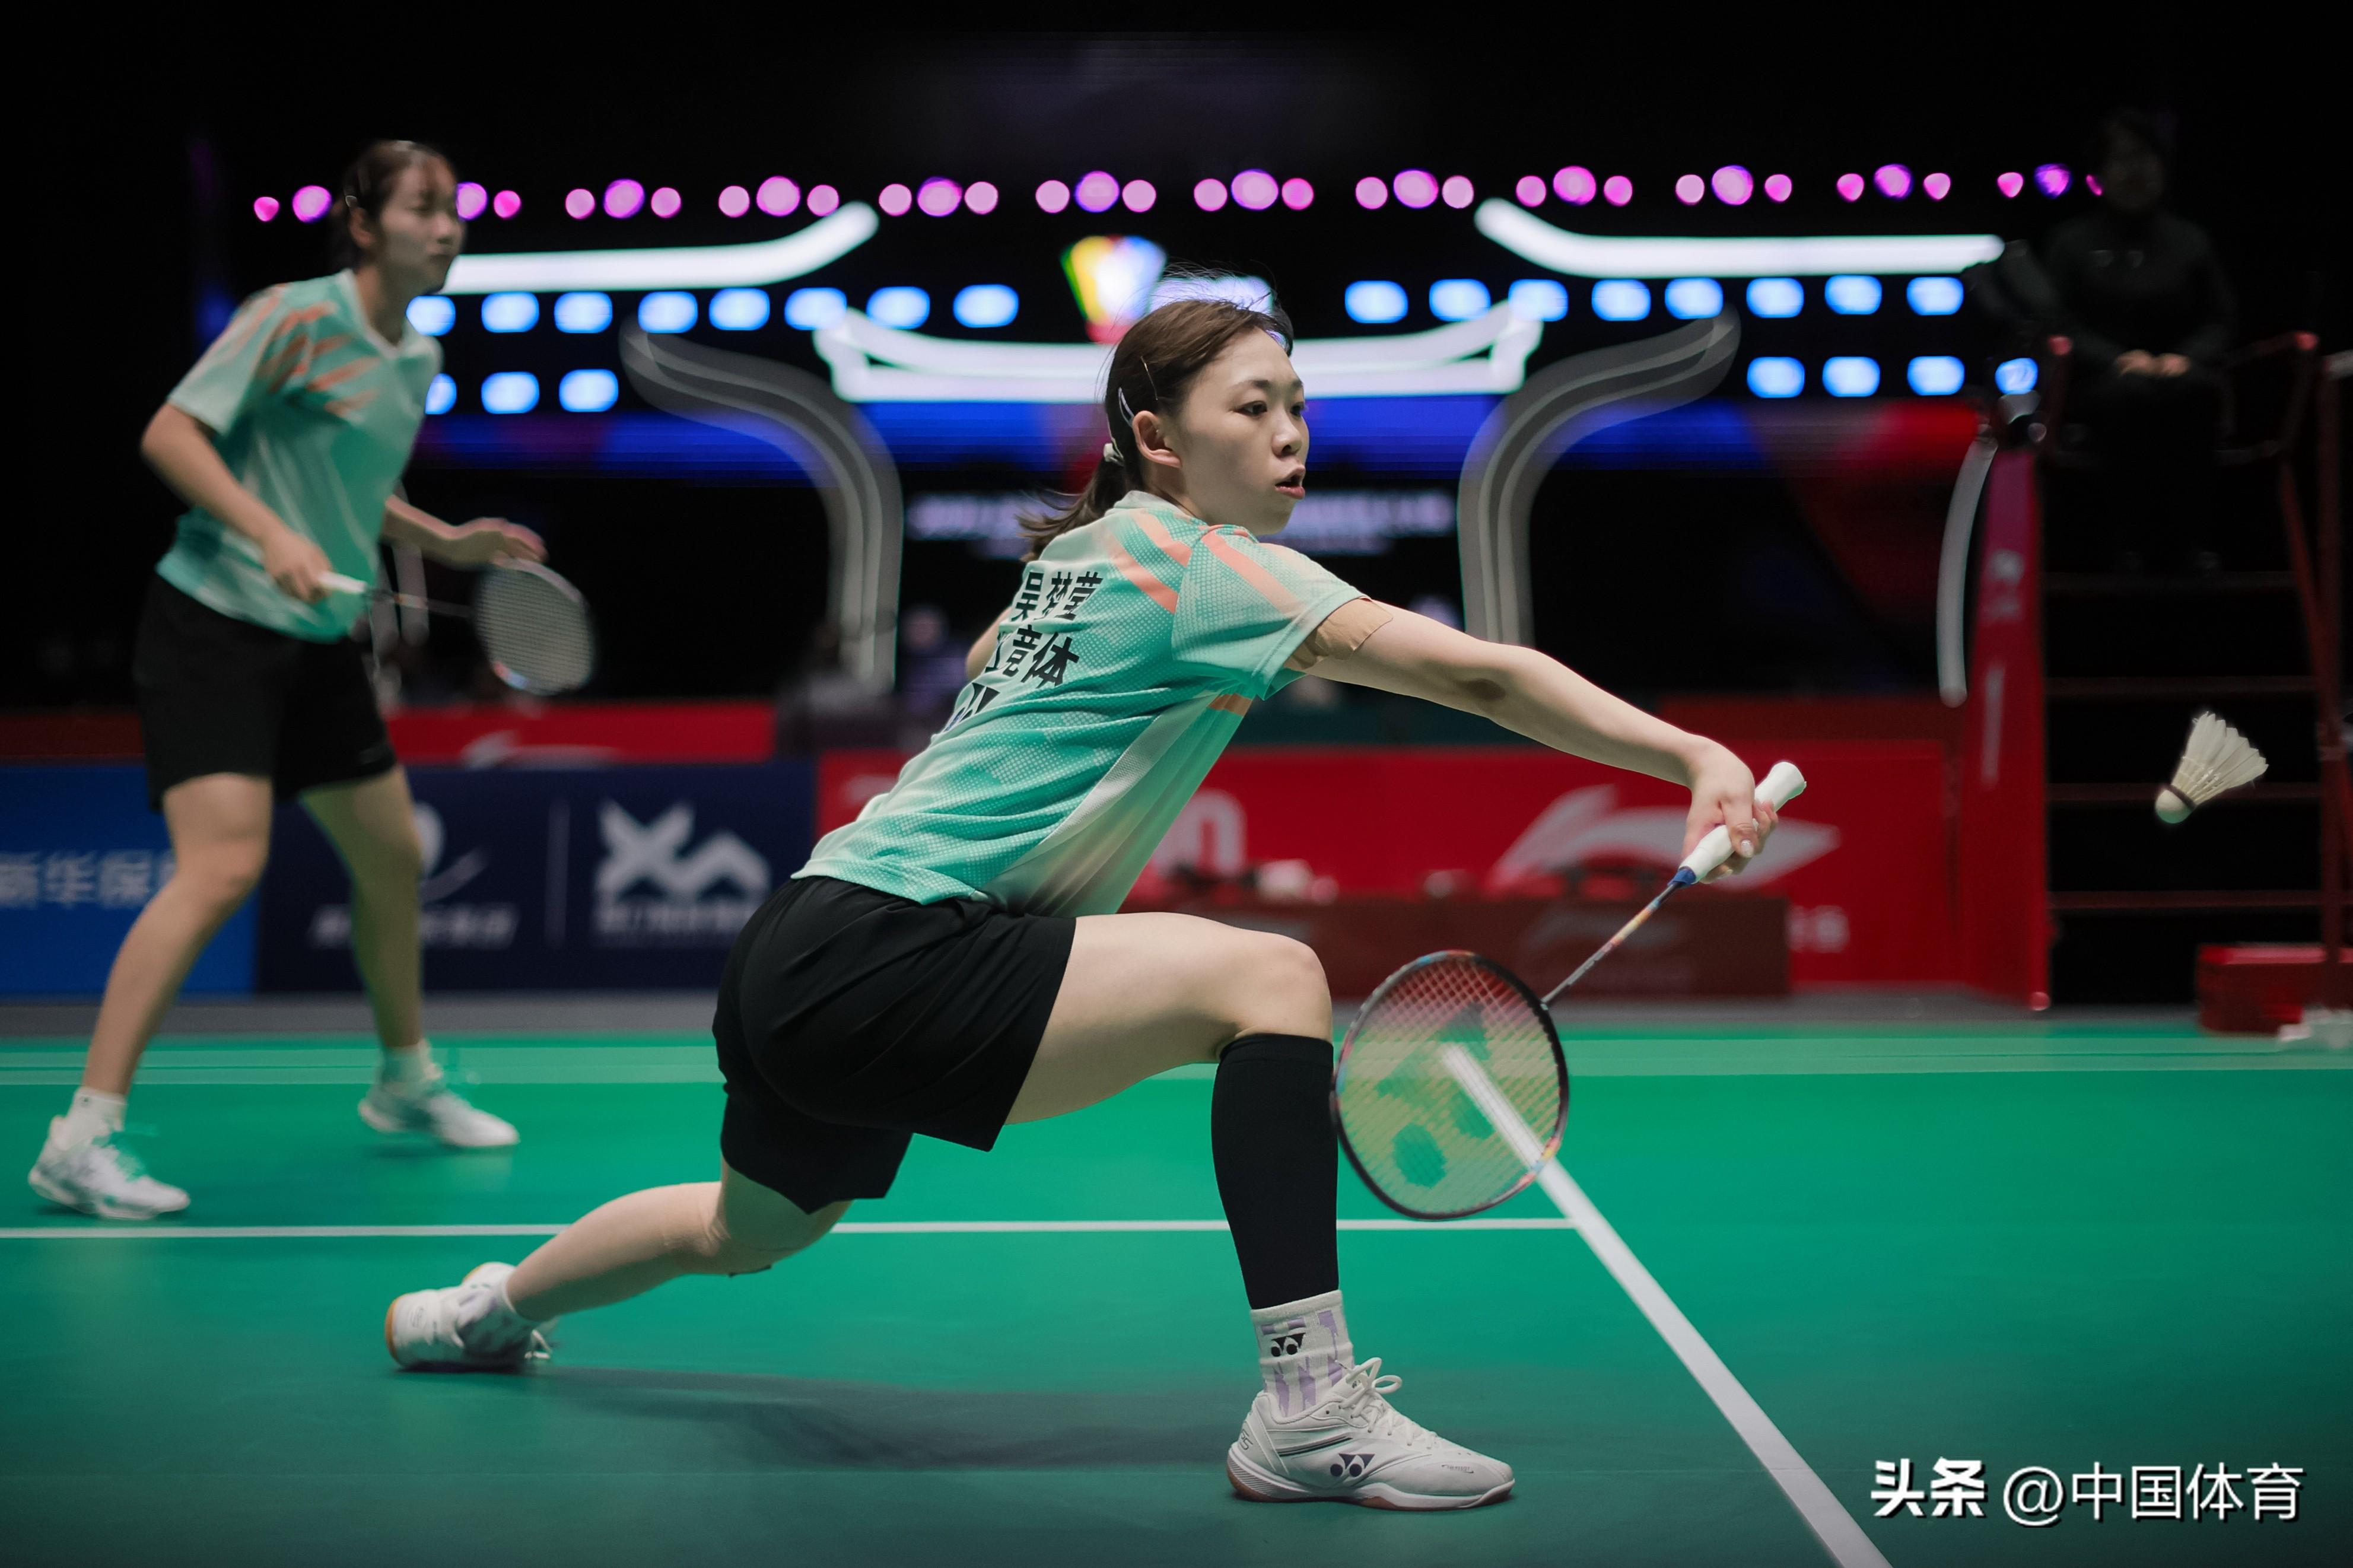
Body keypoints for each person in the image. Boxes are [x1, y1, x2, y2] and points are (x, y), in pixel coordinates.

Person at [384, 296, 1780, 1510]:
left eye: (1297, 404)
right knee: (1271, 978)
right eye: (1253, 406)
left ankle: (481, 1309)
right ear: (1156, 436)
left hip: (800, 944)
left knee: (744, 1230)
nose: (1290, 432)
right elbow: (1476, 673)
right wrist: (1691, 757)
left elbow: (994, 654)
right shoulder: (1209, 566)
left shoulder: (1084, 552)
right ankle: (1306, 1414)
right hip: (892, 948)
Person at [27, 141, 543, 1221]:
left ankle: (403, 1080)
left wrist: (444, 541)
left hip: (315, 636)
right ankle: (80, 1137)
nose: (447, 227)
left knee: (392, 856)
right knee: (221, 867)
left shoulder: (417, 355)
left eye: (455, 208)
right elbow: (171, 434)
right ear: (362, 224)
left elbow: (351, 488)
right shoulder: (293, 317)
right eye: (423, 207)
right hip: (214, 624)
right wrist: (267, 532)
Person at [2043, 109, 2236, 570]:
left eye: (2146, 158)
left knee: (2194, 393)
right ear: (2099, 174)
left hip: (2179, 375)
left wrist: (2186, 358)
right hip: (2100, 384)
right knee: (2130, 397)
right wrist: (2117, 358)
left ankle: (2189, 541)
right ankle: (2126, 542)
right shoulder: (2070, 243)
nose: (2136, 171)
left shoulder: (2191, 241)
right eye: (2123, 159)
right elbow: (2058, 324)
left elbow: (2221, 321)